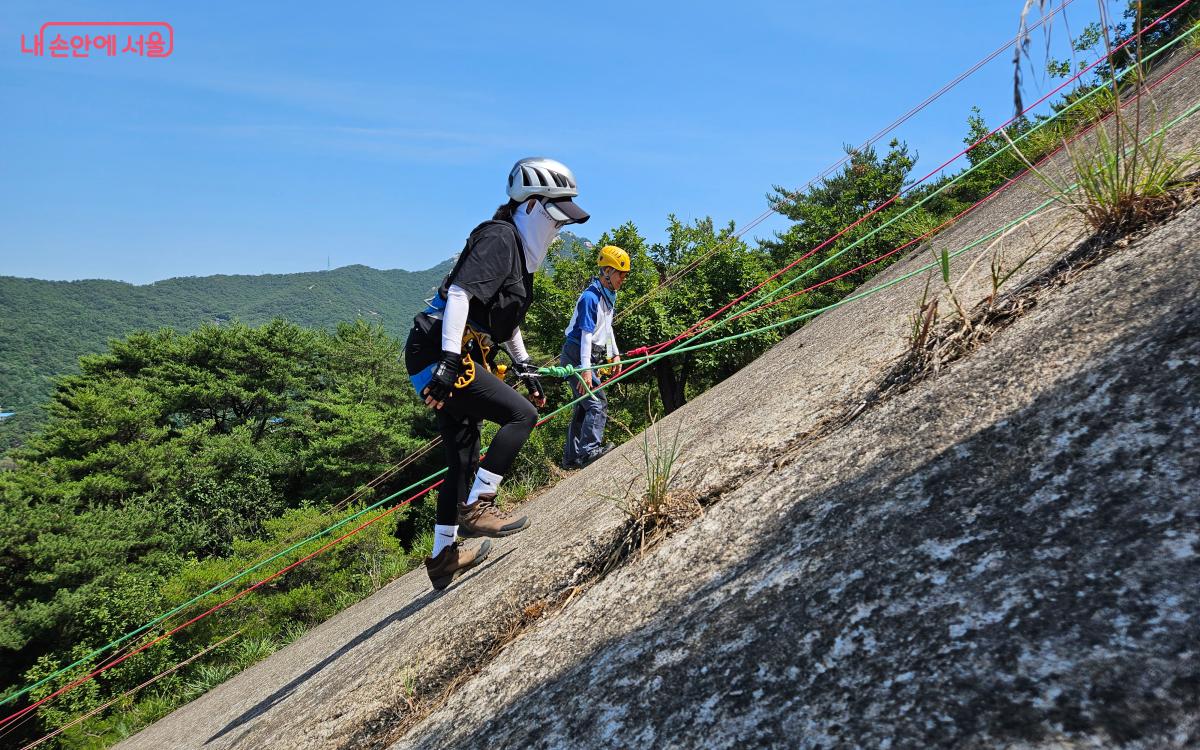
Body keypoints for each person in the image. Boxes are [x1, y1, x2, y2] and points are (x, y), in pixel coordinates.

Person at [405, 157, 590, 590]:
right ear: (529, 206)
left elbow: (503, 323)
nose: (558, 229)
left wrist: (523, 365)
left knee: (461, 462)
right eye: (554, 216)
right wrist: (449, 363)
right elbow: (460, 295)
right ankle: (479, 506)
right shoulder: (500, 237)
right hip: (441, 351)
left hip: (449, 352)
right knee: (521, 416)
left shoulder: (517, 252)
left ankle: (442, 558)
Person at [560, 244, 630, 469]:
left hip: (589, 356)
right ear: (608, 272)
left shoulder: (609, 296)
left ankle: (572, 457)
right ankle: (589, 451)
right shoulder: (590, 298)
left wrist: (615, 354)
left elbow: (607, 329)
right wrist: (586, 369)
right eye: (621, 274)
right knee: (597, 403)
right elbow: (586, 336)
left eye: (625, 275)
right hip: (578, 354)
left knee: (584, 406)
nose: (623, 279)